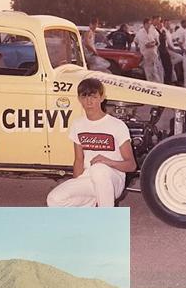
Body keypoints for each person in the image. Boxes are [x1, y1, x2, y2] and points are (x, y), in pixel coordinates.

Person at [47, 78, 136, 208]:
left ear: (102, 98)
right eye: (85, 97)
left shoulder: (117, 125)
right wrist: (77, 185)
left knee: (98, 169)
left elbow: (131, 165)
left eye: (93, 97)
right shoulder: (78, 124)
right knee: (54, 199)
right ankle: (89, 216)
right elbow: (78, 160)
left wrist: (107, 161)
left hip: (113, 179)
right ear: (79, 99)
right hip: (88, 178)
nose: (89, 101)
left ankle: (106, 220)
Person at [134, 17, 163, 82]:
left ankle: (158, 85)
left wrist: (154, 43)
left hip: (154, 55)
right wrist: (137, 48)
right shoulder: (141, 32)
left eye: (150, 24)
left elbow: (157, 42)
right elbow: (146, 45)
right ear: (144, 24)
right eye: (147, 24)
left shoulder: (152, 31)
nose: (149, 25)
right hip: (146, 55)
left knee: (156, 72)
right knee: (148, 73)